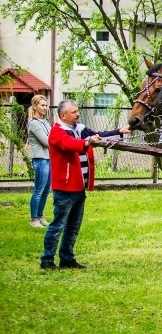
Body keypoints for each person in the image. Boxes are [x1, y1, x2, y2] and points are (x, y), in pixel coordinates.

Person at [40, 100, 130, 269]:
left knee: (73, 227)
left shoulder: (79, 129)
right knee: (57, 226)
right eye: (74, 112)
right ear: (63, 115)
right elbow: (70, 144)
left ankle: (67, 259)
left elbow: (98, 135)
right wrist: (87, 142)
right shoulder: (57, 132)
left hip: (79, 187)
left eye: (77, 111)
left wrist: (119, 131)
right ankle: (47, 261)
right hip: (65, 189)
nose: (77, 114)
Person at [27, 95, 51, 228]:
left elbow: (53, 136)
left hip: (48, 159)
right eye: (42, 105)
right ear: (35, 106)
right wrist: (51, 138)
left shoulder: (45, 122)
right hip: (40, 159)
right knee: (38, 190)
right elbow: (47, 141)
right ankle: (34, 219)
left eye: (46, 105)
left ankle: (40, 217)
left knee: (46, 190)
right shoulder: (34, 123)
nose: (45, 108)